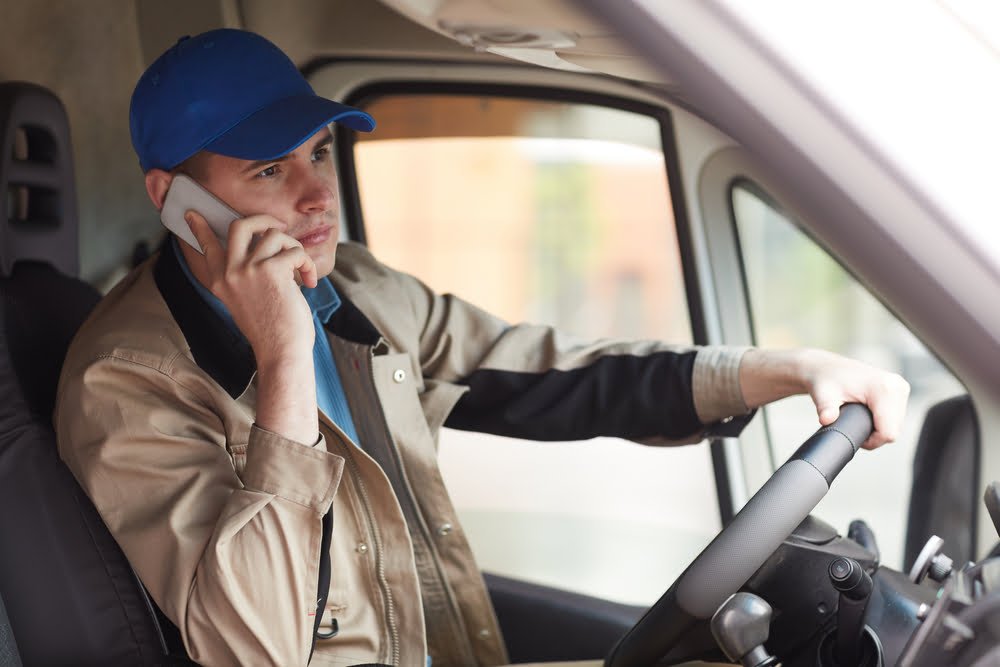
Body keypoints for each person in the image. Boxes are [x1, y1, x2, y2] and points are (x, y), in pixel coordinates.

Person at [55, 28, 909, 667]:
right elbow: (254, 644)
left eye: (319, 152)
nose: (319, 196)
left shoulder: (353, 289)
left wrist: (790, 370)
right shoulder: (126, 381)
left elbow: (552, 373)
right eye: (270, 172)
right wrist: (282, 359)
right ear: (175, 200)